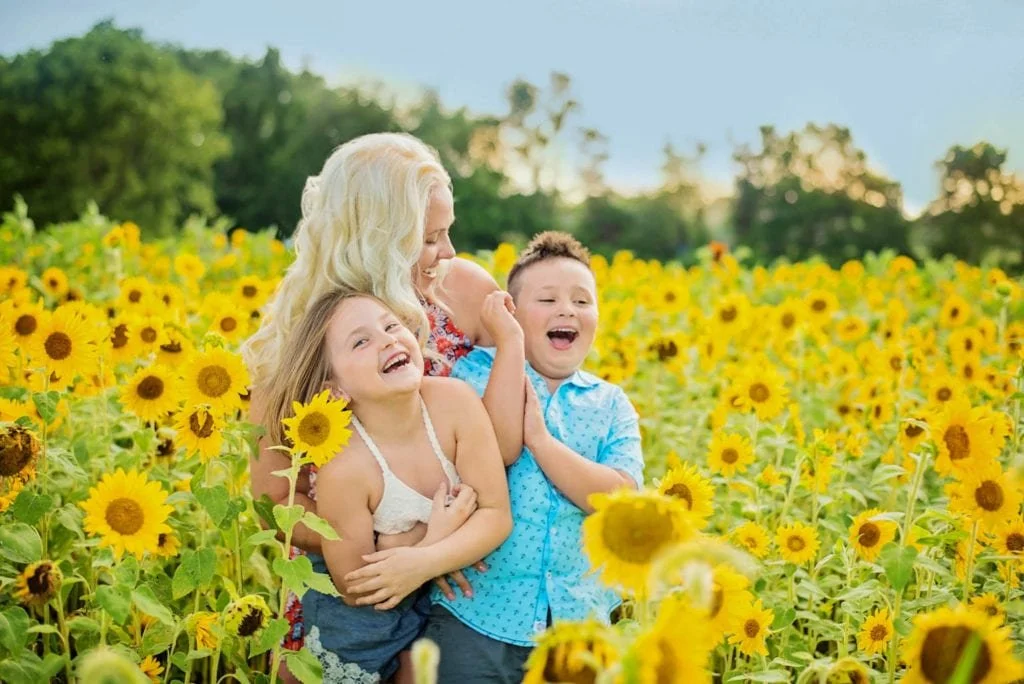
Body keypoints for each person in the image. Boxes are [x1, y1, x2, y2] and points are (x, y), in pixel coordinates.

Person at [344, 232, 645, 682]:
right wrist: (510, 347)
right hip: (478, 609)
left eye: (582, 301)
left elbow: (620, 501)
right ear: (512, 314)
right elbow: (476, 454)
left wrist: (542, 443)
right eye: (548, 299)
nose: (567, 310)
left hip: (576, 620)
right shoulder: (473, 374)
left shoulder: (610, 403)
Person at [242, 133, 501, 652]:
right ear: (377, 239)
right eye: (429, 239)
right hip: (352, 601)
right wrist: (390, 547)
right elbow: (273, 502)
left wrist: (443, 549)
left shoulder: (467, 293)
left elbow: (526, 409)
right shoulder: (299, 338)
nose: (447, 252)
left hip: (475, 583)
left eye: (448, 232)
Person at [258, 288, 511, 681]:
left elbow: (496, 514)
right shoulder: (344, 466)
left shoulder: (455, 404)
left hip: (434, 602)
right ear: (334, 390)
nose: (388, 339)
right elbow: (353, 586)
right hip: (358, 623)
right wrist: (432, 538)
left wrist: (426, 559)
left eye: (391, 326)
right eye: (362, 341)